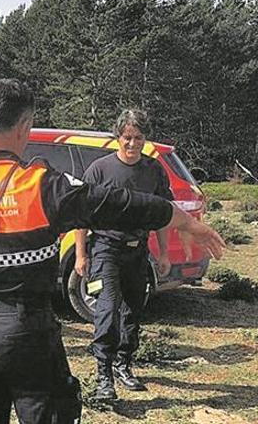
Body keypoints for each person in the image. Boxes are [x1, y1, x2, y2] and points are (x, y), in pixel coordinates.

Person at [0, 79, 225, 424]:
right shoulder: (39, 184)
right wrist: (180, 219)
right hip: (26, 331)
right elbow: (117, 204)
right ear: (24, 127)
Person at [74, 108, 173, 401]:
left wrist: (164, 253)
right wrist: (81, 255)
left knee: (133, 311)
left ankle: (123, 364)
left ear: (145, 140)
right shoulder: (99, 170)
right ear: (118, 137)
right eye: (127, 138)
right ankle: (104, 375)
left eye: (138, 138)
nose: (132, 145)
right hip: (106, 249)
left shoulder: (153, 170)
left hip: (137, 251)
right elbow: (82, 216)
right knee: (107, 309)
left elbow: (163, 215)